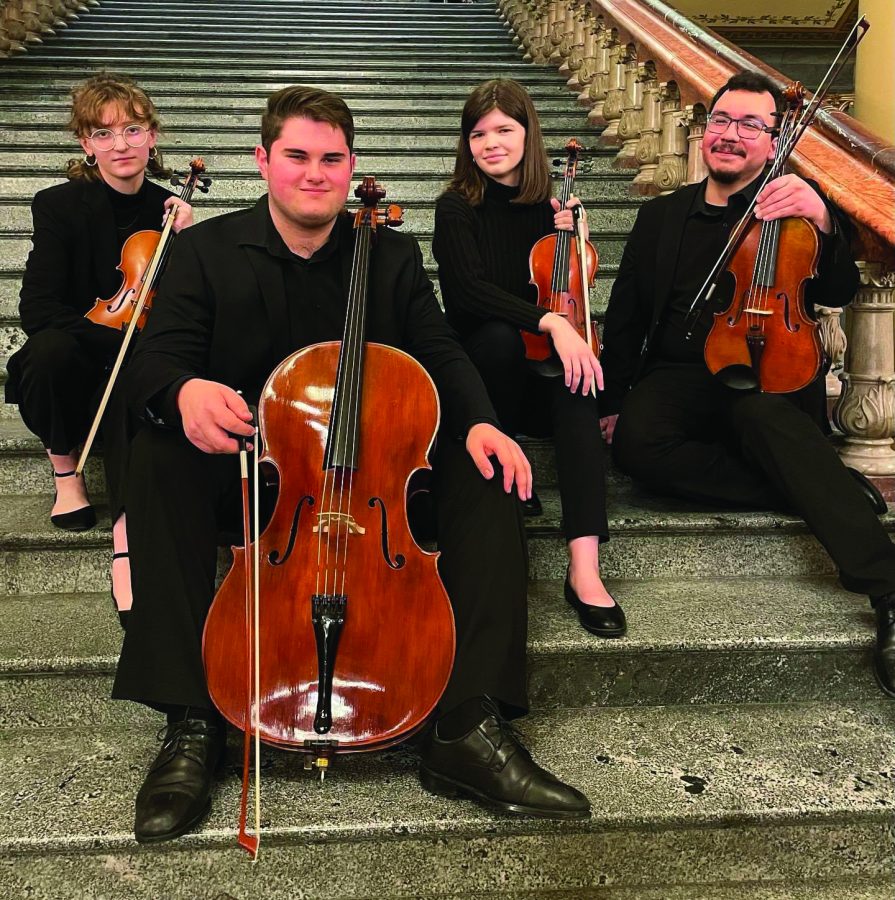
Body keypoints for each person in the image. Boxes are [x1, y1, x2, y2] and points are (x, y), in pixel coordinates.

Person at [113, 85, 591, 844]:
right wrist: (183, 389)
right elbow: (152, 362)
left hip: (369, 479)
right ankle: (190, 724)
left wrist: (481, 423)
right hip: (253, 475)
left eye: (331, 158)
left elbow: (438, 348)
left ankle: (467, 725)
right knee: (157, 451)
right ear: (263, 160)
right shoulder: (205, 251)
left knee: (488, 470)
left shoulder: (389, 254)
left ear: (351, 167)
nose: (314, 173)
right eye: (296, 156)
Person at [599, 70, 895, 697]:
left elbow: (838, 291)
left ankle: (888, 588)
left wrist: (824, 219)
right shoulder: (660, 217)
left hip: (770, 367)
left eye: (750, 126)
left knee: (764, 420)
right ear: (706, 130)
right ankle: (815, 481)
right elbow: (624, 314)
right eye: (722, 121)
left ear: (773, 138)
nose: (730, 136)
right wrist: (614, 399)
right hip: (680, 371)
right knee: (638, 446)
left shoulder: (790, 210)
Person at [433, 78, 625, 639]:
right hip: (489, 382)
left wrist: (578, 241)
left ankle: (585, 569)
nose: (490, 143)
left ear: (528, 133)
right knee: (494, 335)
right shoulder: (456, 207)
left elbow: (574, 298)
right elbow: (465, 295)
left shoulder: (555, 209)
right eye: (478, 133)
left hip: (541, 374)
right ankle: (505, 474)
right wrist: (549, 322)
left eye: (503, 130)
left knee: (576, 384)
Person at [4, 72, 194, 626]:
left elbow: (190, 308)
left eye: (132, 129)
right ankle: (67, 473)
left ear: (152, 136)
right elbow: (38, 307)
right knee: (46, 354)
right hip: (83, 351)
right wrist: (115, 336)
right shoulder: (58, 205)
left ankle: (127, 533)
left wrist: (191, 239)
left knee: (149, 370)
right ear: (86, 144)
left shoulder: (169, 212)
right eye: (104, 133)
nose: (121, 145)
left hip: (139, 356)